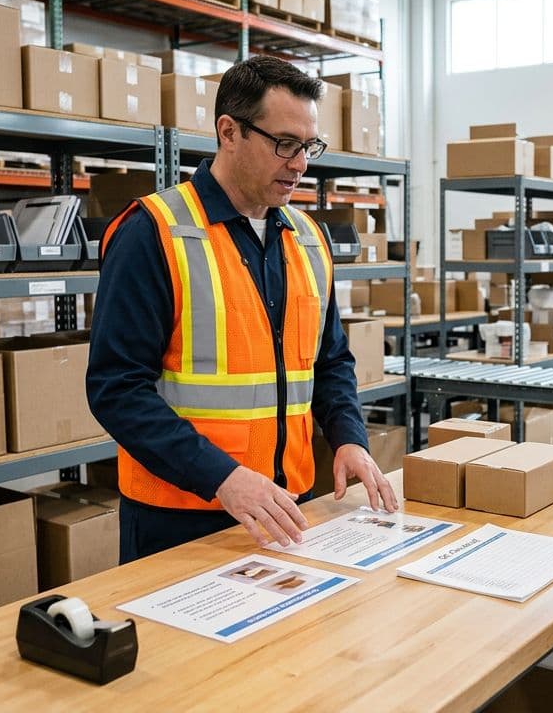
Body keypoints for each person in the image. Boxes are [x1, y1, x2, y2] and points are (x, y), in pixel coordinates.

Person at [87, 55, 399, 564]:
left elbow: (330, 361)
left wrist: (348, 438)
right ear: (228, 132)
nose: (299, 164)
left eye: (308, 147)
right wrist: (223, 478)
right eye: (284, 144)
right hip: (180, 520)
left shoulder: (308, 238)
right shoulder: (155, 232)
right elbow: (116, 389)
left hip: (285, 511)